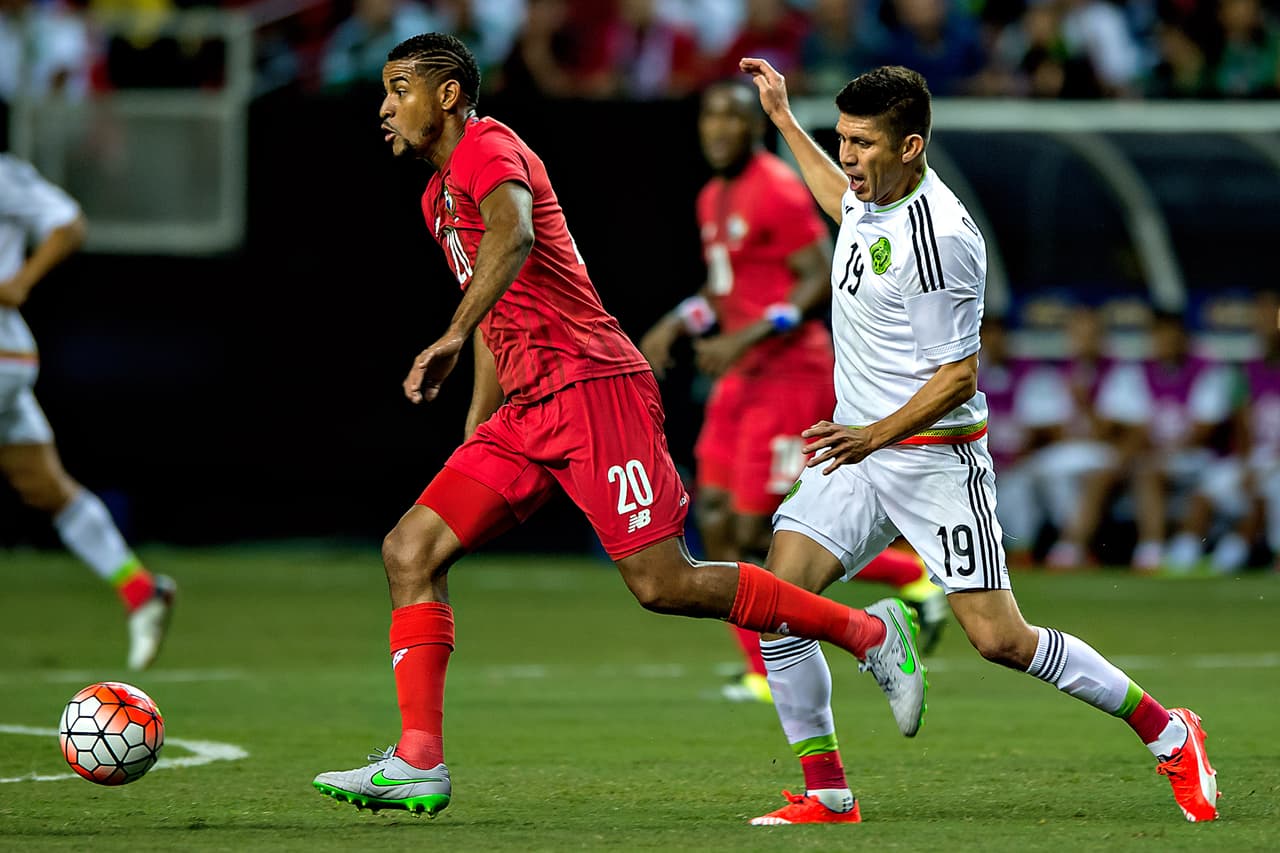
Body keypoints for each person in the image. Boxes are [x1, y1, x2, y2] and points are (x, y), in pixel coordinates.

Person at [312, 33, 928, 818]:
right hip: (529, 407)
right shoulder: (436, 200)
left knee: (663, 583)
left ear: (447, 95)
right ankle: (417, 760)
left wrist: (451, 333)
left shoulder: (488, 147)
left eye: (399, 88)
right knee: (411, 549)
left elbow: (517, 235)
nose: (384, 106)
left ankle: (871, 634)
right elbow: (501, 308)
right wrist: (477, 428)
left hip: (593, 387)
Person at [736, 58, 1218, 824]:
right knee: (774, 605)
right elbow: (844, 208)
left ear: (911, 146)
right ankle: (827, 792)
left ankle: (1168, 731)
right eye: (844, 139)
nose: (850, 157)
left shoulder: (942, 242)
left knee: (1000, 638)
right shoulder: (870, 194)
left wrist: (872, 435)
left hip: (934, 459)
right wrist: (786, 121)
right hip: (861, 448)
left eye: (862, 144)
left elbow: (957, 377)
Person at [640, 79, 945, 702]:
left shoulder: (777, 188)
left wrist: (749, 337)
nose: (718, 129)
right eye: (710, 117)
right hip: (739, 378)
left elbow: (814, 280)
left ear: (754, 128)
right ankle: (760, 670)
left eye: (731, 117)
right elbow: (729, 288)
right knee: (718, 520)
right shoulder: (711, 197)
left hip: (787, 374)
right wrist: (680, 320)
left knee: (759, 528)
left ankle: (911, 577)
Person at [0, 153, 175, 670]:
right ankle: (141, 590)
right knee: (42, 485)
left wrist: (22, 281)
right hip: (10, 357)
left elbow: (67, 223)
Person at [1047, 309, 1238, 572]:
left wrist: (1157, 452)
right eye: (1159, 337)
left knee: (1146, 470)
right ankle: (1072, 547)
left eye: (1171, 337)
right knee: (1107, 473)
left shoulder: (1206, 370)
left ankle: (1152, 549)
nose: (1164, 344)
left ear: (1184, 339)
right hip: (1153, 454)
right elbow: (1131, 426)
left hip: (1198, 456)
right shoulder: (1139, 371)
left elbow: (1203, 430)